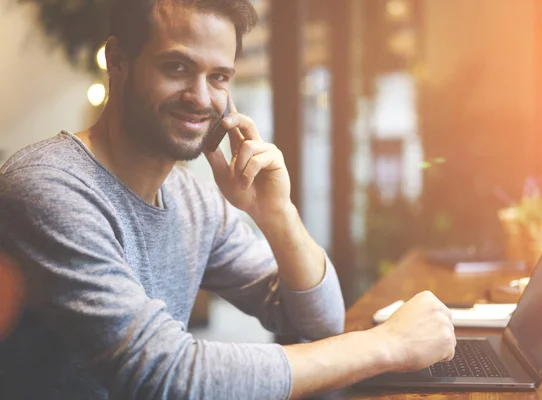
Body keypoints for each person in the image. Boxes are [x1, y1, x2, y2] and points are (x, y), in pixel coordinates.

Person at [0, 0, 456, 399]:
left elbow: (319, 322)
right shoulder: (48, 188)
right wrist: (388, 345)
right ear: (118, 61)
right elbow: (166, 376)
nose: (201, 98)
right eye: (176, 67)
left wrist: (277, 213)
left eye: (218, 77)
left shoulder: (194, 199)